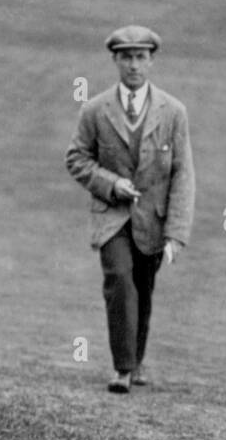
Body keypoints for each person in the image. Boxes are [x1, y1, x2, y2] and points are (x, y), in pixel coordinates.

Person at [65, 25, 194, 393]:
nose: (133, 65)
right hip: (111, 217)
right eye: (126, 58)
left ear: (151, 61)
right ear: (115, 61)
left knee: (142, 288)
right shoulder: (95, 109)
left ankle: (136, 361)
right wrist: (110, 184)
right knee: (119, 280)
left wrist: (176, 233)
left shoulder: (173, 112)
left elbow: (183, 174)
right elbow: (76, 158)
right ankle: (122, 368)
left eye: (140, 57)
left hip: (152, 220)